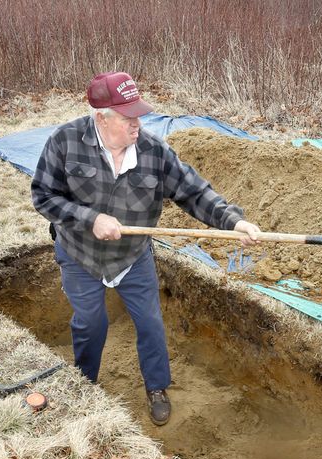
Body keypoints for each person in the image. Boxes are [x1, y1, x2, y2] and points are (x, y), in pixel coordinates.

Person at [31, 71, 261, 426]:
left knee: (151, 323)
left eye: (138, 114)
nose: (137, 124)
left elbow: (194, 191)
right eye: (128, 118)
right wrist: (89, 218)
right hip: (81, 253)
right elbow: (43, 196)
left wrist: (234, 221)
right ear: (101, 118)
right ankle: (85, 384)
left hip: (132, 256)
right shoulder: (65, 142)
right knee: (91, 324)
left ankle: (156, 387)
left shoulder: (154, 151)